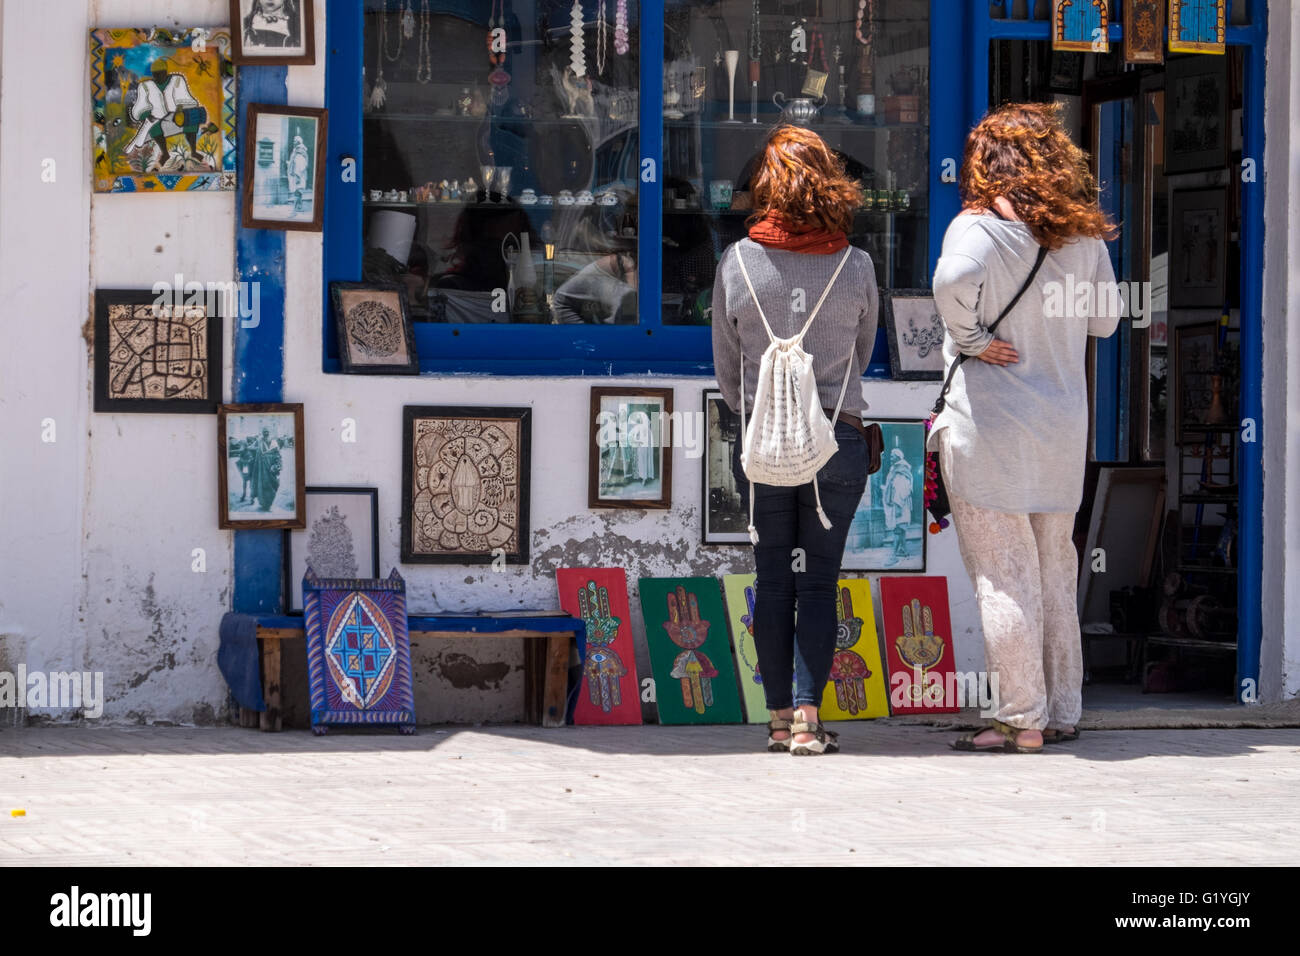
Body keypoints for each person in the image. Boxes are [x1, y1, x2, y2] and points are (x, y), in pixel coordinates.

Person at [929, 102, 1119, 754]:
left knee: (1003, 573)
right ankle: (1063, 708)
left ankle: (1019, 718)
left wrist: (972, 338)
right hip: (1062, 427)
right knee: (1054, 571)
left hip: (993, 425)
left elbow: (952, 278)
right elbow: (1106, 323)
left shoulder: (977, 230)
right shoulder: (1085, 238)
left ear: (989, 161)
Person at [712, 125, 878, 755]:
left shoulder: (738, 263)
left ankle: (778, 718)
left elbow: (729, 374)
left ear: (765, 187)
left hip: (763, 443)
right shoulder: (856, 265)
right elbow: (862, 355)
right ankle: (810, 718)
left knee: (773, 580)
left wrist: (770, 409)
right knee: (821, 584)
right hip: (838, 443)